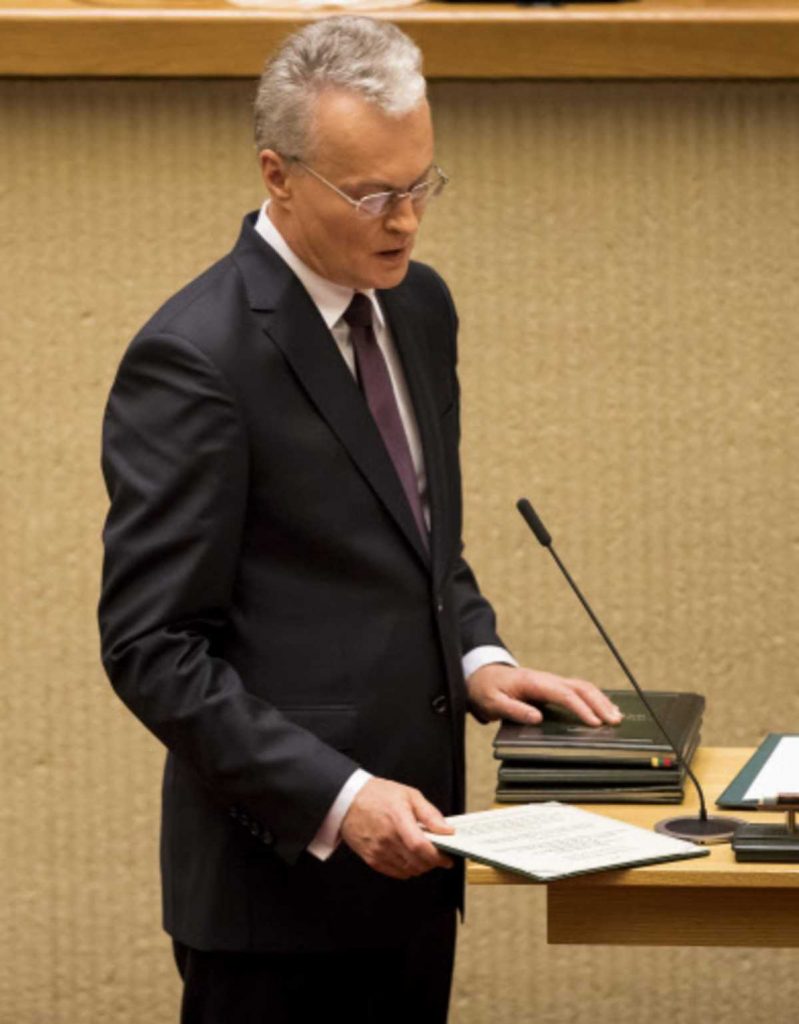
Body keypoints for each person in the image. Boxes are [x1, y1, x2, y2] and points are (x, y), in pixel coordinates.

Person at [98, 16, 621, 1024]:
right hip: (277, 890)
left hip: (417, 863)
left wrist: (478, 656)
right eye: (372, 195)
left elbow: (418, 537)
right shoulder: (196, 358)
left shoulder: (419, 307)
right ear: (278, 174)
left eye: (421, 185)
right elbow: (151, 649)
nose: (405, 222)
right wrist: (339, 798)